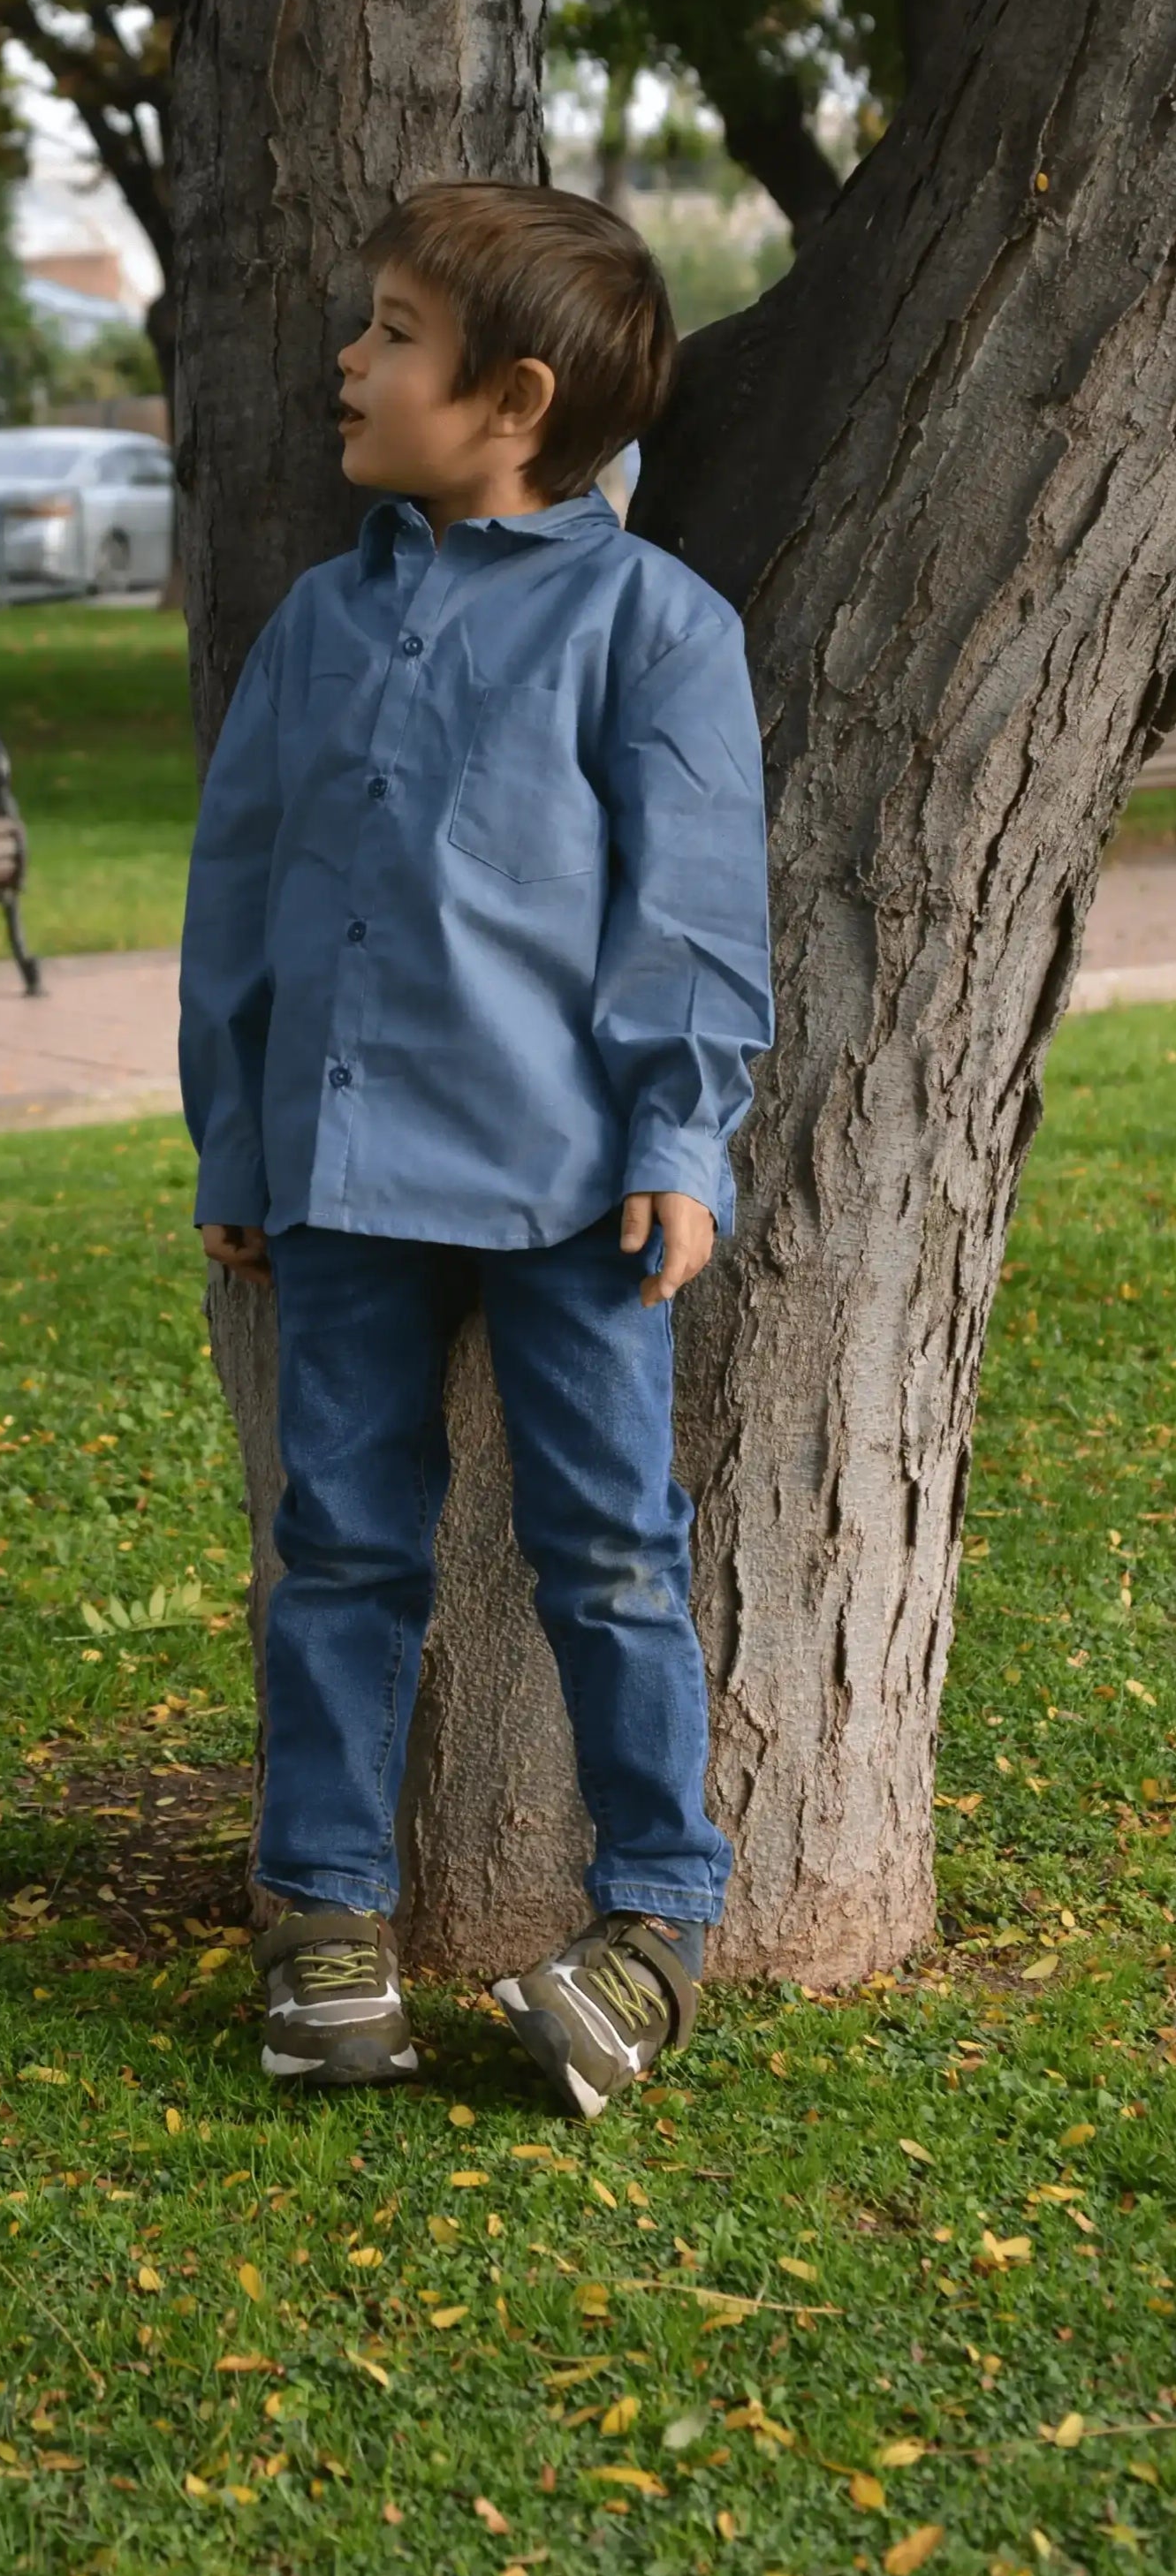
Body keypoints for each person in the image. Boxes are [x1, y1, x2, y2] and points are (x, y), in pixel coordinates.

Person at [180, 181, 772, 2118]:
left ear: (512, 397)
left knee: (607, 1554)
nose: (344, 360)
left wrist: (679, 1134)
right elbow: (243, 892)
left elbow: (687, 913)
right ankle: (324, 1918)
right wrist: (237, 1145)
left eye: (390, 332)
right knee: (340, 1554)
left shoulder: (652, 627)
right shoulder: (321, 622)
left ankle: (658, 1922)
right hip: (340, 1190)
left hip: (571, 1200)